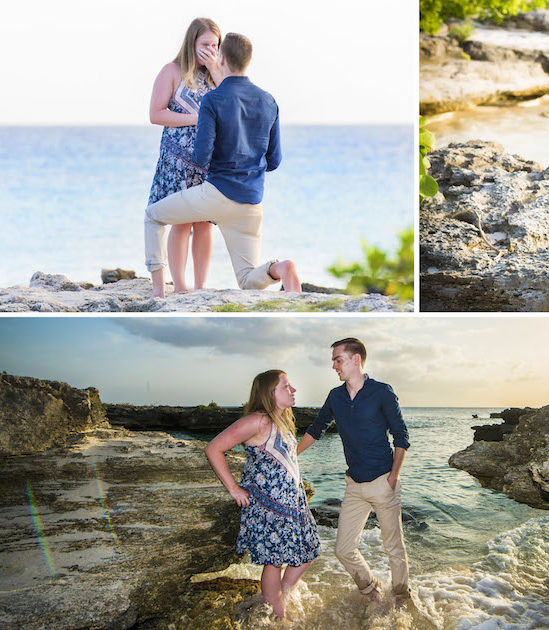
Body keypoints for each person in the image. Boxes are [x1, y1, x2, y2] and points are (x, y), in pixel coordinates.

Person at [144, 32, 301, 299]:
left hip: (217, 194)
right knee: (248, 278)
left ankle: (159, 294)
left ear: (222, 58)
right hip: (251, 203)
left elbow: (202, 157)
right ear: (248, 61)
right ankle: (281, 267)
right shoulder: (269, 101)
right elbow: (274, 161)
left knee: (153, 216)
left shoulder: (213, 100)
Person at [297, 338, 411, 602]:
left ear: (356, 359)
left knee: (393, 548)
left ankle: (402, 596)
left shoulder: (382, 391)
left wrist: (393, 477)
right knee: (343, 549)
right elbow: (317, 430)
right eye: (334, 361)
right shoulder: (335, 396)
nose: (334, 366)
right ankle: (371, 591)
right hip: (354, 486)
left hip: (383, 481)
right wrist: (291, 455)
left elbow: (401, 437)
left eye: (338, 359)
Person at [205, 370, 320, 620]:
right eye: (286, 386)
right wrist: (234, 489)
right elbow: (214, 448)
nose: (293, 390)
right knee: (274, 562)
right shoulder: (256, 421)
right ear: (270, 393)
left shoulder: (282, 421)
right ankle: (279, 616)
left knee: (308, 552)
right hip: (268, 506)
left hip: (293, 504)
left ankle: (281, 595)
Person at [148, 18, 222, 294]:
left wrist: (215, 67)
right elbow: (156, 114)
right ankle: (179, 286)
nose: (210, 50)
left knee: (205, 223)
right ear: (192, 43)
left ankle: (201, 287)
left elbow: (230, 101)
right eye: (205, 45)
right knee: (180, 222)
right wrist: (197, 118)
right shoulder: (172, 71)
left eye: (215, 45)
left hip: (207, 160)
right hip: (176, 160)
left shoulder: (218, 75)